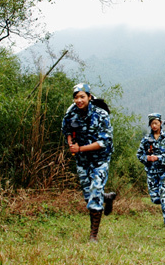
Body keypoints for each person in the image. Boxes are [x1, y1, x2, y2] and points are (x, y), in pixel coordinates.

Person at [61, 83, 116, 242]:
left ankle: (93, 236)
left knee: (94, 192)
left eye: (82, 97)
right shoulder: (71, 113)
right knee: (88, 196)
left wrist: (80, 149)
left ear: (89, 97)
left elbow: (103, 142)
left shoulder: (101, 115)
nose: (79, 100)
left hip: (100, 159)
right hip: (82, 161)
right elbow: (67, 130)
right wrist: (71, 145)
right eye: (76, 97)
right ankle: (106, 197)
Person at [136, 113, 165, 229]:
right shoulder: (146, 140)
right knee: (155, 198)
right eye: (152, 124)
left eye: (156, 123)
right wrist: (147, 158)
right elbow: (139, 155)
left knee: (164, 195)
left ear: (160, 123)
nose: (154, 126)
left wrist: (158, 158)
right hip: (151, 172)